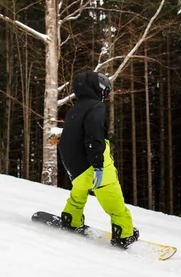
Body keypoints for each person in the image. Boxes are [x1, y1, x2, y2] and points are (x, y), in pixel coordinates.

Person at [58, 71, 139, 249]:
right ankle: (124, 233)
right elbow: (94, 136)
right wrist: (98, 165)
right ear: (99, 88)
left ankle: (71, 218)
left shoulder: (75, 108)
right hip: (93, 163)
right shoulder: (96, 107)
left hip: (75, 166)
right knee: (112, 195)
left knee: (78, 193)